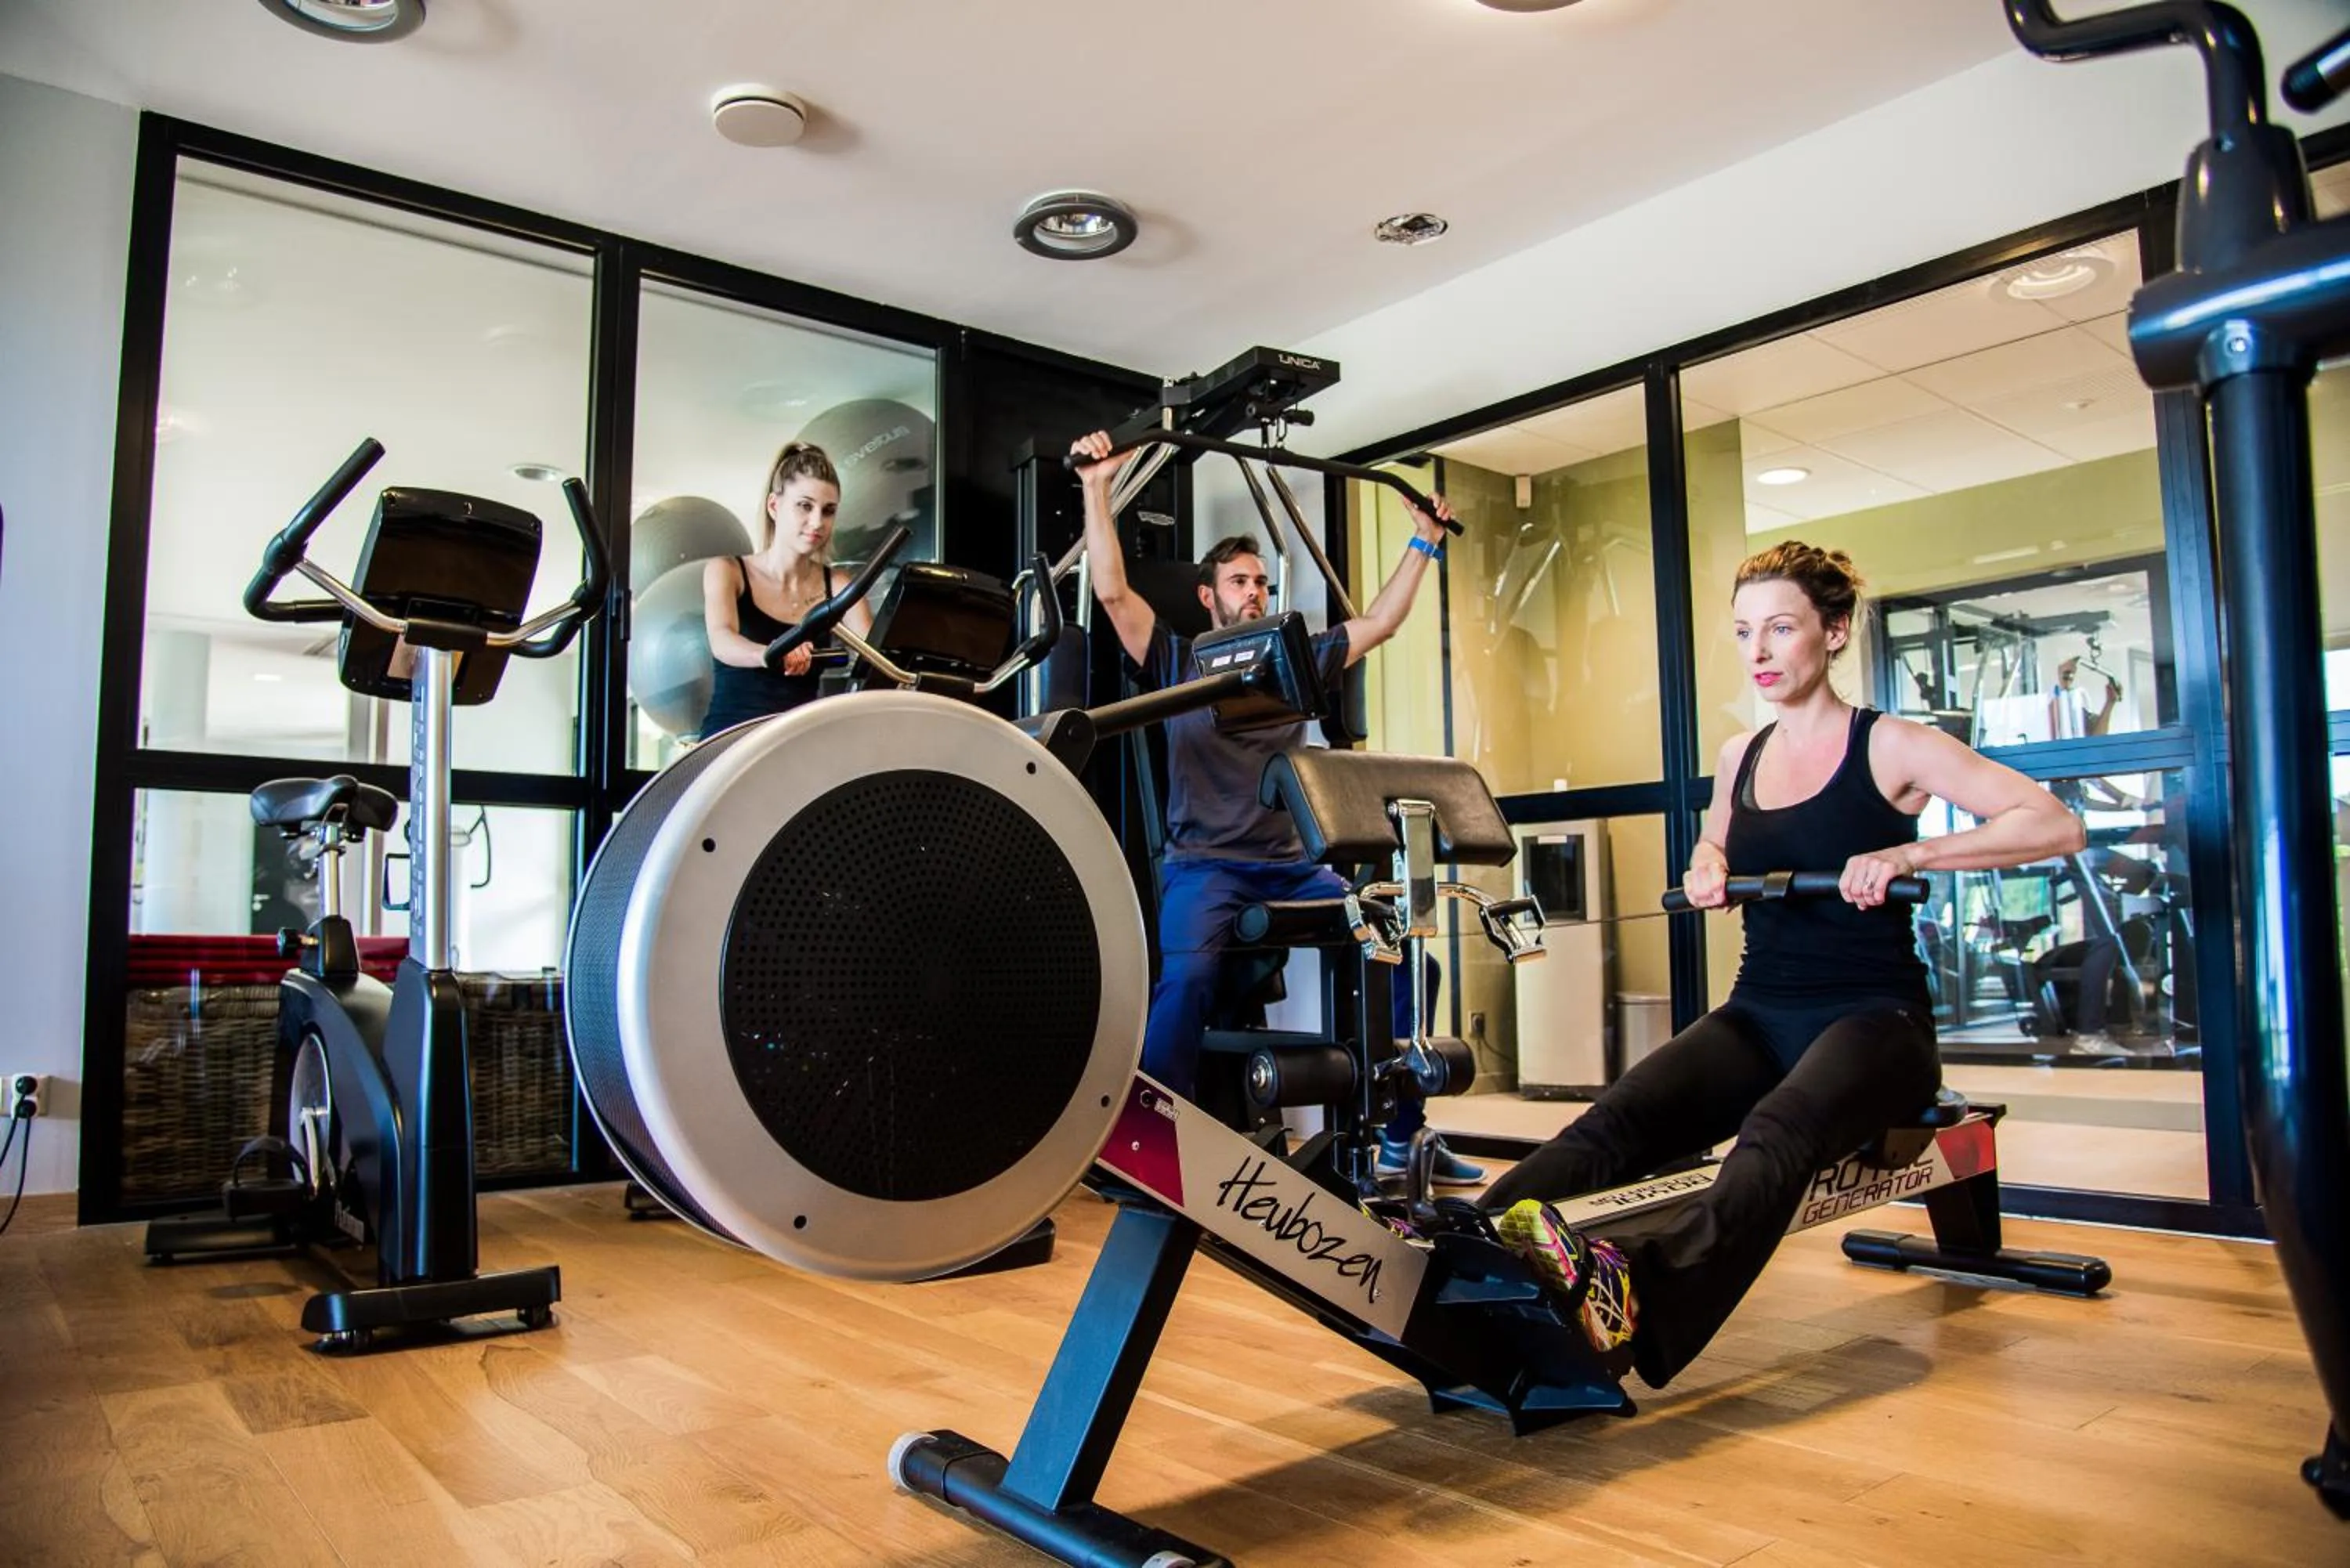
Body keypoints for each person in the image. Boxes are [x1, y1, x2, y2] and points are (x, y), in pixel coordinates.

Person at [1482, 542, 2088, 1385]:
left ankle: (1636, 1309)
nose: (1758, 652)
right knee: (1619, 1117)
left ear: (1834, 631)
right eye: (1743, 632)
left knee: (1773, 1136)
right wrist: (1704, 864)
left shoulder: (1893, 747)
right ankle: (1467, 1253)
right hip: (1761, 1011)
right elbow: (1717, 837)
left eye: (1780, 628)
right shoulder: (1743, 755)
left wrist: (1913, 856)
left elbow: (2053, 822)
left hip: (1877, 1021)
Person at [1069, 430, 1480, 1184]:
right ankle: (1149, 1152)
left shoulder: (1298, 660)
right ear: (1209, 596)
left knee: (1401, 953)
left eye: (1259, 582)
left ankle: (1402, 1131)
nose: (1252, 592)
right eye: (1236, 582)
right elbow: (1111, 593)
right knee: (1187, 985)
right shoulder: (1175, 661)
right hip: (1204, 870)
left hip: (1292, 869)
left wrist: (1423, 542)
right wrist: (1099, 487)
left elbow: (1381, 623)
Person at [699, 441, 874, 736]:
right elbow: (722, 640)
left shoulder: (840, 586)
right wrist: (771, 653)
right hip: (730, 740)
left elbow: (878, 655)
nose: (817, 522)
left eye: (828, 511)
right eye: (805, 506)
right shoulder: (727, 571)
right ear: (774, 506)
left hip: (796, 745)